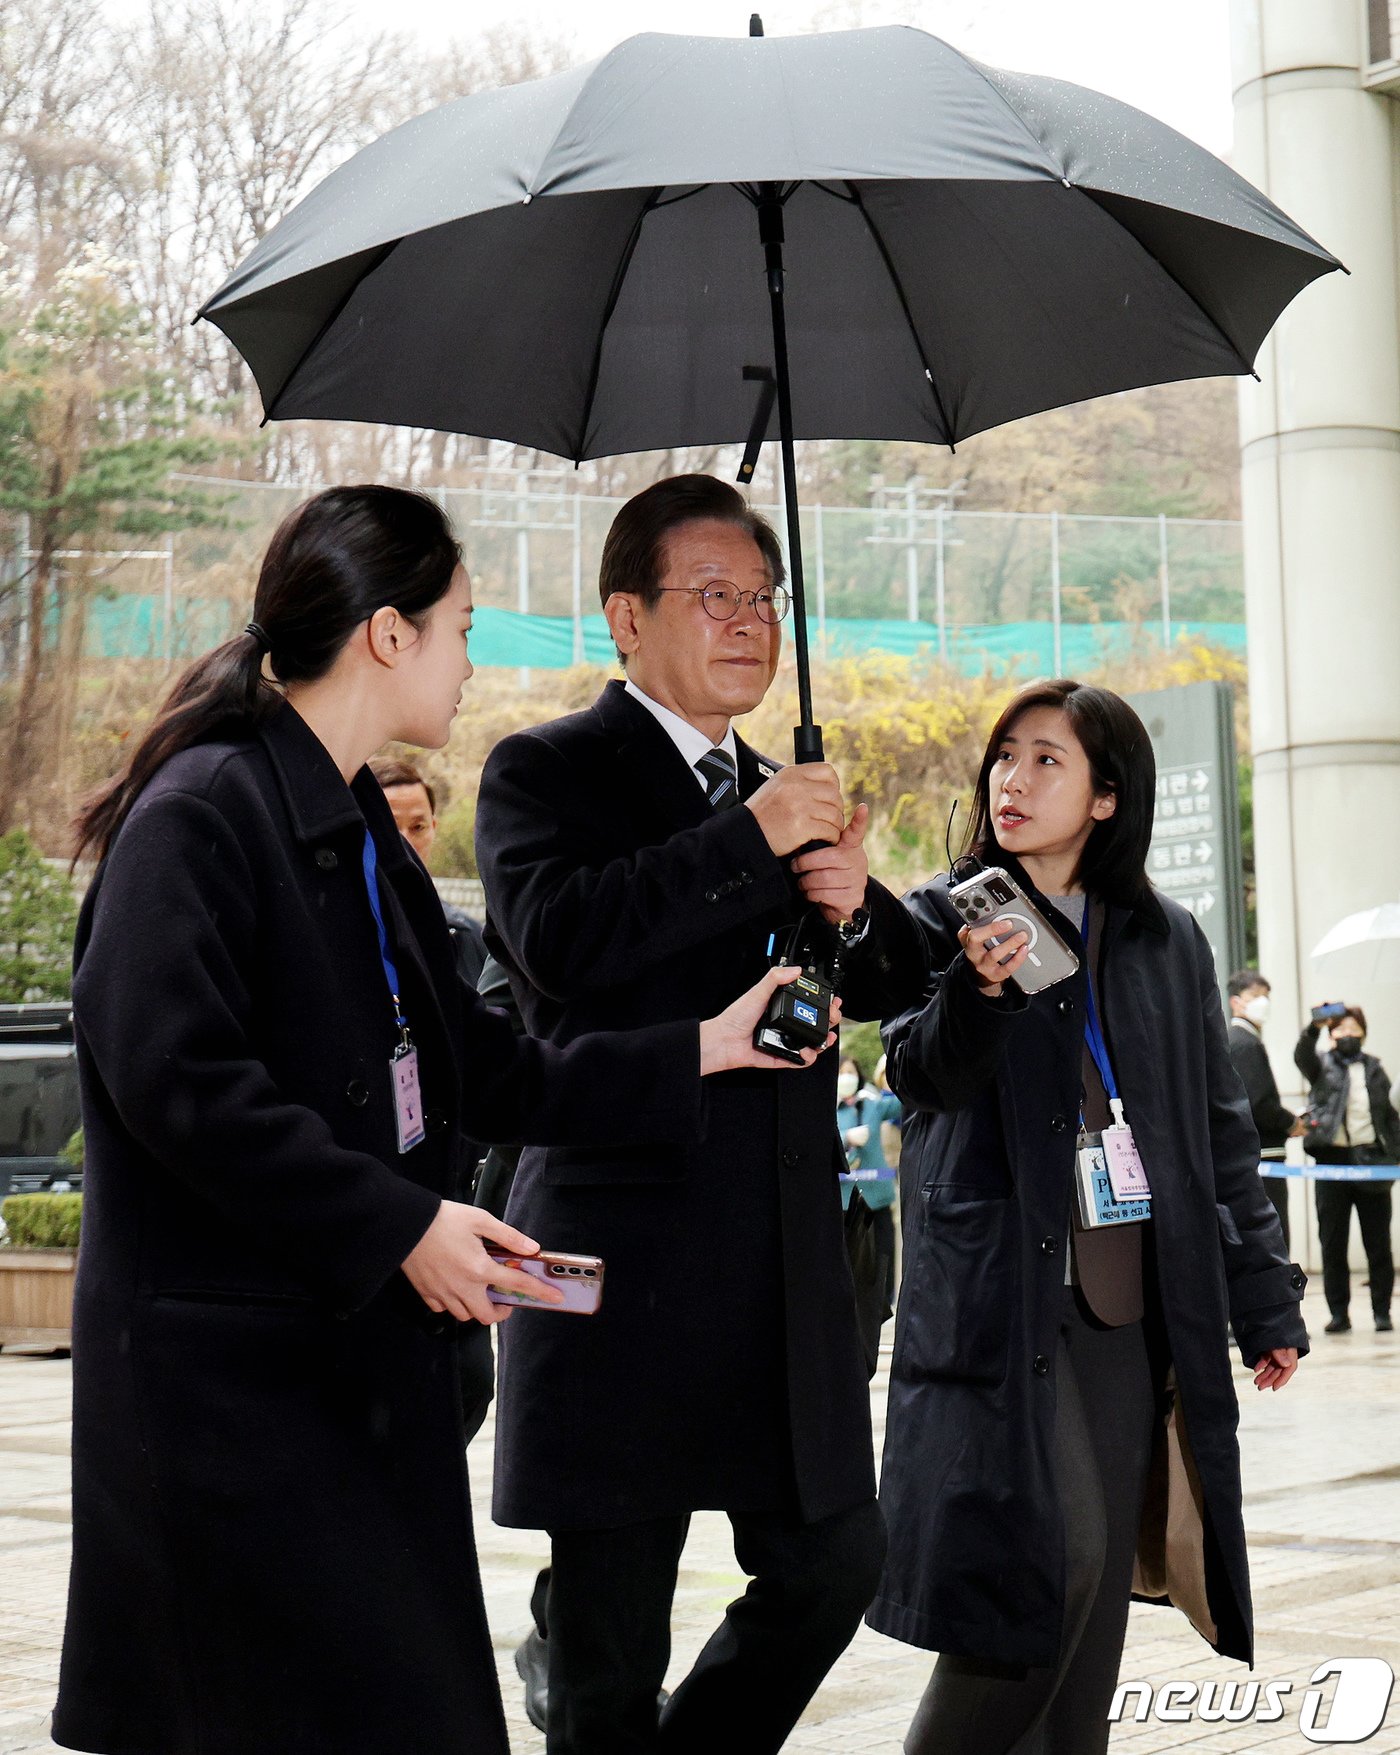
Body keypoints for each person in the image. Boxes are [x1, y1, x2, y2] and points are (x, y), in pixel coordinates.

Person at [52, 484, 832, 1755]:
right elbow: (177, 1083)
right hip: (229, 1399)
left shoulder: (355, 820)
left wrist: (703, 1046)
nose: (477, 661)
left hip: (348, 1373)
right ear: (386, 634)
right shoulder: (203, 810)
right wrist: (400, 1223)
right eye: (463, 627)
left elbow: (476, 1062)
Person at [474, 473, 922, 1755]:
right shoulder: (546, 769)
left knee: (836, 1561)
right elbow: (558, 947)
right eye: (712, 596)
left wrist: (857, 896)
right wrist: (752, 838)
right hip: (624, 1262)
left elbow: (886, 983)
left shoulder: (785, 787)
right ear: (625, 617)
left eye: (764, 600)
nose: (747, 623)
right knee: (613, 1634)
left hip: (781, 1268)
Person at [870, 678, 1307, 1755]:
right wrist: (971, 992)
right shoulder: (949, 912)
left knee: (1099, 1588)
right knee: (1048, 1563)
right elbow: (912, 1074)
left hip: (1127, 1303)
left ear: (1106, 797)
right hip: (999, 1296)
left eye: (1045, 760)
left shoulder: (1163, 939)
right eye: (1003, 757)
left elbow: (1216, 1134)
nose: (1010, 780)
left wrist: (1264, 1297)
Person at [1295, 1005, 1397, 1334]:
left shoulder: (1376, 1069)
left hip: (1372, 1162)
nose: (1348, 1034)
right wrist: (1314, 1026)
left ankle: (1382, 1311)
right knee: (1332, 1242)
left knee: (1378, 1243)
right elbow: (1302, 1054)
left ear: (1364, 1032)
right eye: (1341, 1028)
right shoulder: (1321, 1065)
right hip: (1331, 1162)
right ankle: (1339, 1313)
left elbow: (1389, 1117)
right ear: (1331, 1033)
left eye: (1355, 1027)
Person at [371, 755, 487, 988]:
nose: (405, 844)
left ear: (433, 828)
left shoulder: (465, 935)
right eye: (389, 828)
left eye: (417, 827)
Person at [1226, 969, 1302, 1248]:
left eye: (1266, 996)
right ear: (1236, 1001)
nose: (1263, 1002)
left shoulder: (1241, 1041)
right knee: (1274, 1234)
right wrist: (1291, 1122)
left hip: (1258, 1153)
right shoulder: (1244, 1043)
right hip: (1264, 1153)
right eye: (1255, 996)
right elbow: (1259, 1102)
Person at [837, 1053, 902, 1319]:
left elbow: (902, 1103)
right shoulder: (827, 1108)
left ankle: (880, 1311)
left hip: (877, 1198)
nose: (847, 1077)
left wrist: (891, 1067)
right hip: (843, 1201)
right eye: (842, 1072)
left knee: (882, 1262)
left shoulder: (873, 1105)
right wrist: (846, 1137)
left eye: (851, 1072)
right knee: (848, 1265)